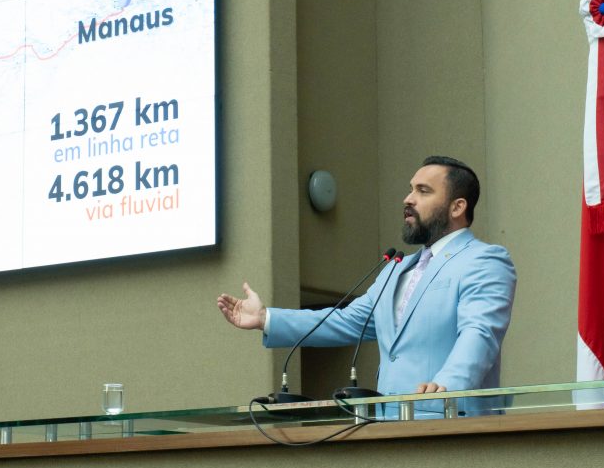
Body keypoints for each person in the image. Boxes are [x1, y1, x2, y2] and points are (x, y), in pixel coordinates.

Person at [217, 156, 516, 415]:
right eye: (410, 189)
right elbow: (346, 320)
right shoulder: (395, 269)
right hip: (386, 429)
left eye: (423, 191)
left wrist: (450, 384)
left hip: (453, 425)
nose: (408, 199)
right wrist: (266, 318)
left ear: (457, 207)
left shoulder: (484, 260)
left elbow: (480, 332)